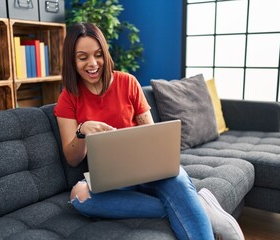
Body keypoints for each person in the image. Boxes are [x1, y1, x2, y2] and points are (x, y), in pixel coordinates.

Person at [54, 22, 244, 240]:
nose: (93, 63)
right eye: (83, 57)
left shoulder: (128, 82)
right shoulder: (69, 97)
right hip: (111, 179)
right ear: (72, 60)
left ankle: (187, 203)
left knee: (178, 181)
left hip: (148, 169)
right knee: (79, 197)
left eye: (98, 54)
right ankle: (197, 205)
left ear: (106, 54)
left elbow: (153, 137)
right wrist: (82, 131)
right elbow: (72, 158)